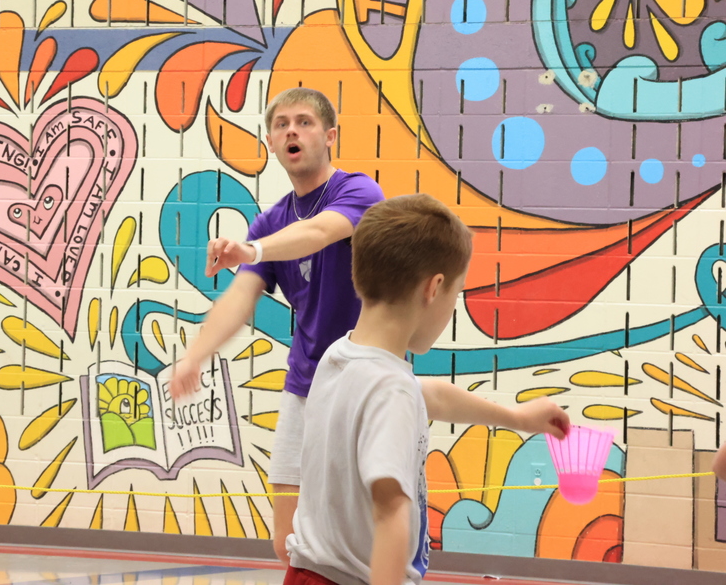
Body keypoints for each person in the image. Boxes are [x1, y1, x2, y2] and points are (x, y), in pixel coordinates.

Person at [285, 195, 570, 585]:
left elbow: (430, 396)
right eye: (457, 293)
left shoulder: (343, 357)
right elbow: (390, 514)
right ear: (434, 288)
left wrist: (516, 418)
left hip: (308, 573)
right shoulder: (391, 390)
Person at [168, 87, 384, 561]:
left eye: (304, 122)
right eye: (282, 123)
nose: (292, 130)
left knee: (370, 525)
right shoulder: (269, 223)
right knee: (287, 535)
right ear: (270, 141)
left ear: (330, 137)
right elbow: (239, 298)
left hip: (367, 383)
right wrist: (194, 356)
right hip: (305, 385)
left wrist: (254, 250)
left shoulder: (358, 191)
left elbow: (321, 231)